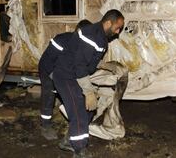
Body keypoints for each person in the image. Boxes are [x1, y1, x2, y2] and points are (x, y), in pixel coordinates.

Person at [53, 9, 124, 158]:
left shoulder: (101, 37)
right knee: (79, 109)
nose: (118, 32)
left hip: (76, 76)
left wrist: (105, 65)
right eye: (117, 28)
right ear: (108, 23)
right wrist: (88, 91)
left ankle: (68, 140)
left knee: (90, 109)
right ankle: (79, 150)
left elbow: (88, 59)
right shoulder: (91, 35)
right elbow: (79, 65)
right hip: (66, 76)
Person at [39, 19, 92, 140]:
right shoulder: (61, 40)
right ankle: (45, 125)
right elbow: (48, 61)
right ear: (79, 31)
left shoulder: (83, 45)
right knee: (49, 94)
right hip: (48, 69)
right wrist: (55, 80)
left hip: (64, 73)